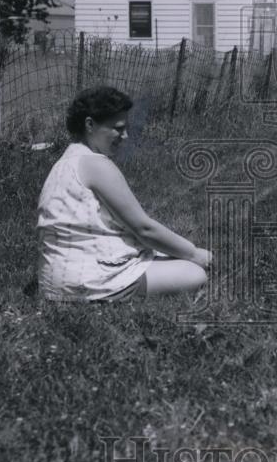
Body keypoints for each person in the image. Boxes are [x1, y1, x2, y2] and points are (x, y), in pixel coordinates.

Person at [37, 85, 211, 302]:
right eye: (118, 128)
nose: (125, 136)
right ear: (90, 125)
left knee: (166, 256)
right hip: (83, 281)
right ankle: (115, 287)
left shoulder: (68, 160)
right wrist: (195, 253)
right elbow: (144, 228)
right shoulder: (96, 165)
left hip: (54, 278)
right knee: (195, 272)